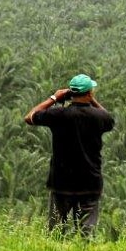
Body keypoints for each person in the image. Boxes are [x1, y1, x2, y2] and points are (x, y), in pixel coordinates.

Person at [24, 74, 115, 236]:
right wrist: (91, 100)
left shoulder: (57, 115)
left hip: (61, 183)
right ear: (89, 93)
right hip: (89, 182)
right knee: (87, 232)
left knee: (56, 231)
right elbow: (109, 118)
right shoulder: (99, 117)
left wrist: (54, 97)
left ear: (71, 94)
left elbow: (29, 117)